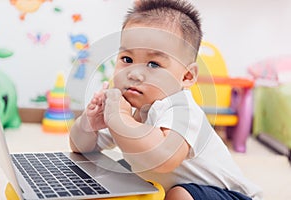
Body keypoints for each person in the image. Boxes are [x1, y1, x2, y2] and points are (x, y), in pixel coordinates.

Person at [69, 0, 262, 199]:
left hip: (229, 195)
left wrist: (119, 118)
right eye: (127, 59)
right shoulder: (126, 106)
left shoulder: (182, 109)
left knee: (179, 195)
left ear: (187, 77)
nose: (134, 74)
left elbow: (163, 158)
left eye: (153, 64)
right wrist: (88, 124)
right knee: (113, 176)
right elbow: (82, 149)